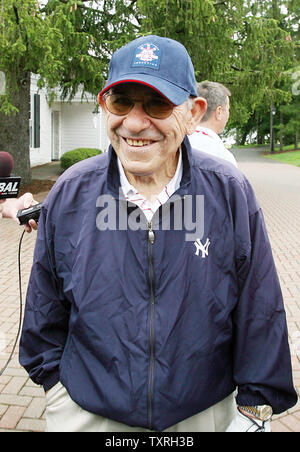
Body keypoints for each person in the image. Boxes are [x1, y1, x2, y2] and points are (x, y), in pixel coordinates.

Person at [19, 35, 297, 433]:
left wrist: (255, 410)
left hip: (202, 415)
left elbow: (260, 304)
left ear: (193, 111)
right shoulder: (71, 191)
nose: (134, 122)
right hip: (88, 413)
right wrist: (56, 390)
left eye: (157, 104)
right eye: (121, 101)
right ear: (104, 105)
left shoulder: (228, 192)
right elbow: (45, 304)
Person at [188, 81, 237, 166]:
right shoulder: (224, 158)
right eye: (228, 109)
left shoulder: (175, 146)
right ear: (219, 112)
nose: (228, 115)